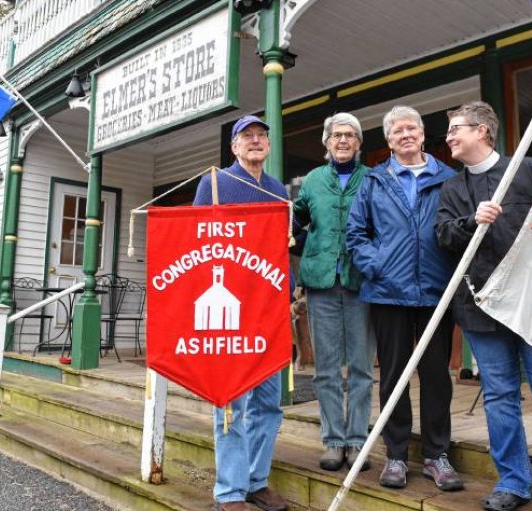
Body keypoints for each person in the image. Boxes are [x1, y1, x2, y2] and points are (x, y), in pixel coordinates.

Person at [435, 101, 532, 511]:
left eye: (456, 128)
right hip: (482, 308)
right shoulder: (453, 188)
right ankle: (513, 482)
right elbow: (444, 237)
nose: (449, 136)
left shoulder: (525, 170)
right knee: (499, 396)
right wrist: (471, 221)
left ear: (483, 131)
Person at [346, 105, 463, 491]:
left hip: (435, 291)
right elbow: (355, 234)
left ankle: (436, 455)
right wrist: (376, 265)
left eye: (411, 128)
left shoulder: (449, 178)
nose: (405, 134)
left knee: (436, 377)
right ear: (389, 140)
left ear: (422, 133)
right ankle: (395, 455)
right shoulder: (374, 181)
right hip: (388, 293)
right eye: (397, 131)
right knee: (393, 377)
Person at [194, 115, 288, 511]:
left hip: (270, 310)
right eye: (246, 136)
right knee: (232, 403)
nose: (255, 141)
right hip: (229, 308)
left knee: (268, 403)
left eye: (261, 136)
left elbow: (281, 246)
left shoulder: (278, 190)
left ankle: (256, 481)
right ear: (233, 147)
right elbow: (195, 240)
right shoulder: (214, 183)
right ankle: (229, 492)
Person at [292, 113, 375, 472]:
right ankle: (333, 440)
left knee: (360, 367)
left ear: (358, 143)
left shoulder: (372, 179)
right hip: (321, 283)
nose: (342, 141)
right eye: (336, 135)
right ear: (326, 143)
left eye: (350, 136)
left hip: (360, 282)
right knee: (325, 369)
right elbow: (293, 221)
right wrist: (312, 249)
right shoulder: (312, 180)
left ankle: (357, 440)